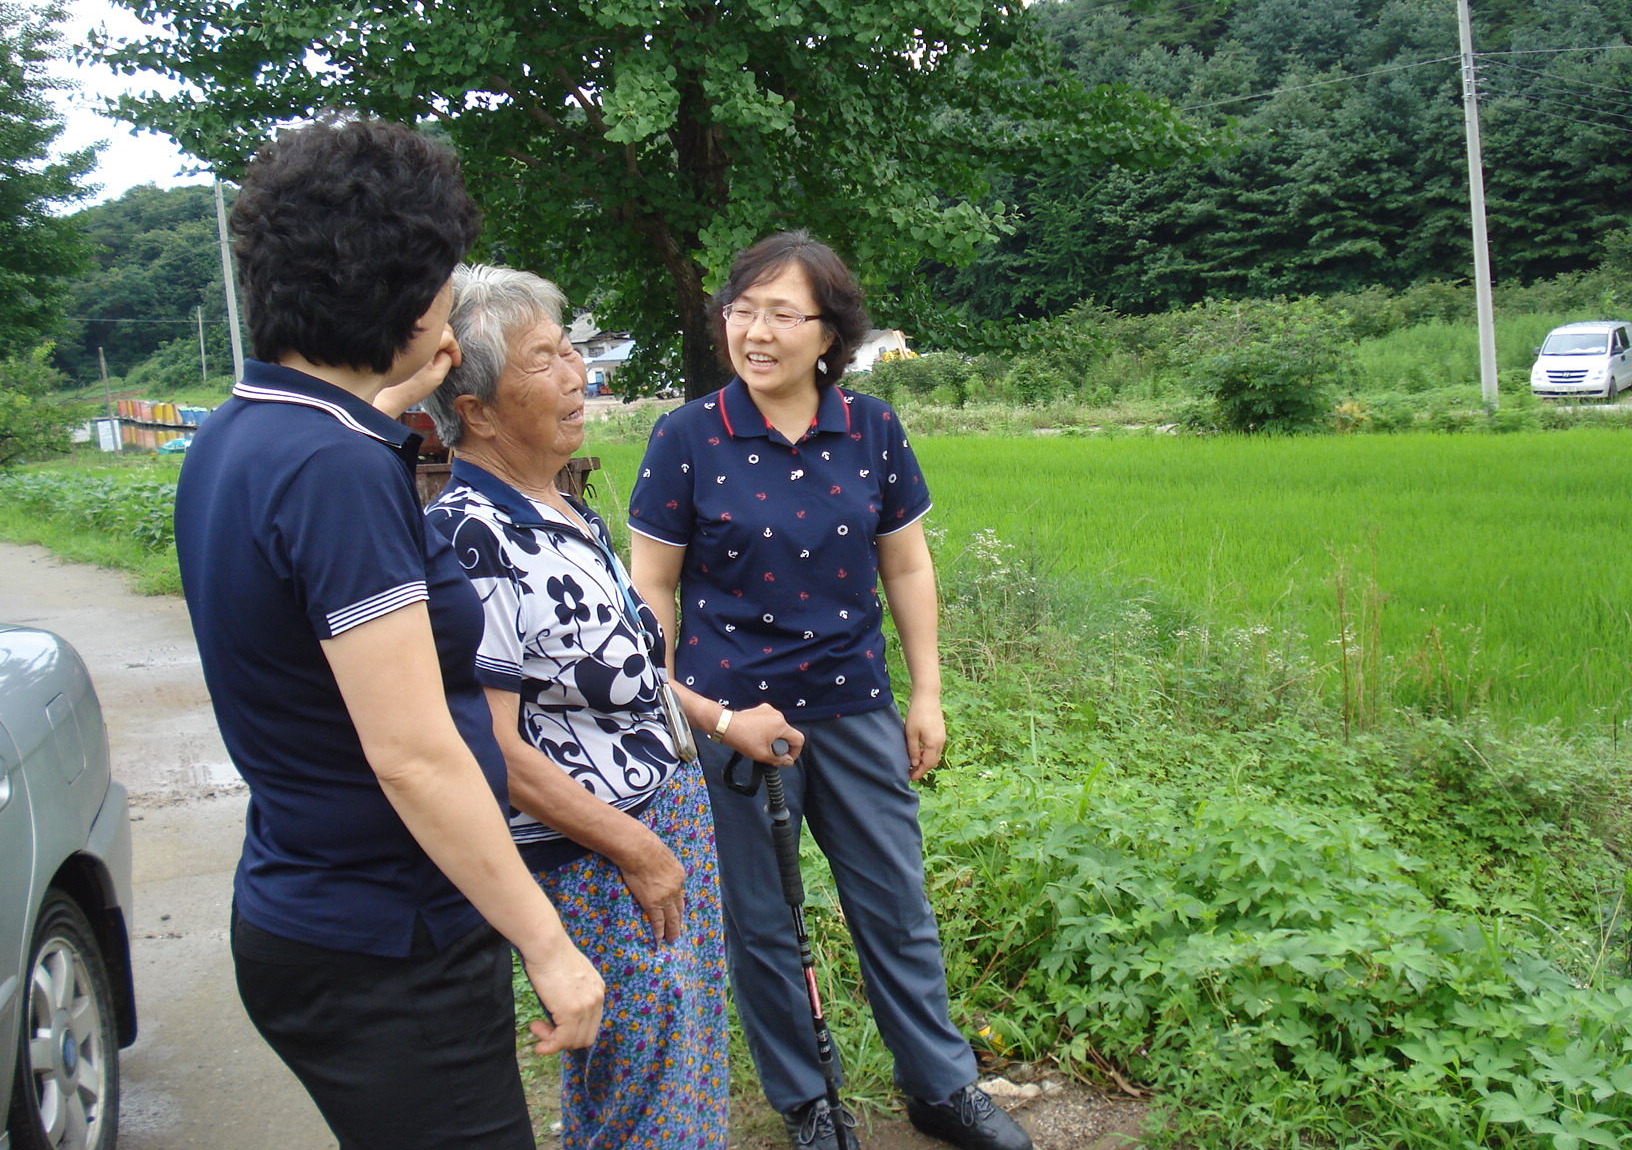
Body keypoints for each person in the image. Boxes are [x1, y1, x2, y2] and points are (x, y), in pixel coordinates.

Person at [172, 118, 603, 1150]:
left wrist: (395, 388)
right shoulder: (337, 475)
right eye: (443, 280)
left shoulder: (243, 431)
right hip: (390, 940)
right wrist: (546, 943)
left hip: (305, 900)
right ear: (402, 297)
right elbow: (412, 754)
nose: (452, 303)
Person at [627, 231, 1031, 1150]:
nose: (756, 332)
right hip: (734, 722)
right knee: (764, 921)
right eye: (742, 310)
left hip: (854, 707)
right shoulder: (687, 436)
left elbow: (908, 566)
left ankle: (940, 1086)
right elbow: (652, 584)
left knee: (895, 904)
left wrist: (926, 695)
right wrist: (678, 709)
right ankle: (808, 1101)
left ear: (829, 333)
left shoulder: (872, 428)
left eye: (782, 314)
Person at [421, 264, 729, 1150]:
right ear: (477, 410)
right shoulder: (475, 536)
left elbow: (620, 674)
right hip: (598, 855)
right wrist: (636, 847)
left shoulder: (563, 508)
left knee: (682, 1055)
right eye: (543, 361)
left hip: (662, 819)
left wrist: (717, 723)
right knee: (642, 1082)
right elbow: (488, 743)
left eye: (571, 352)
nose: (576, 375)